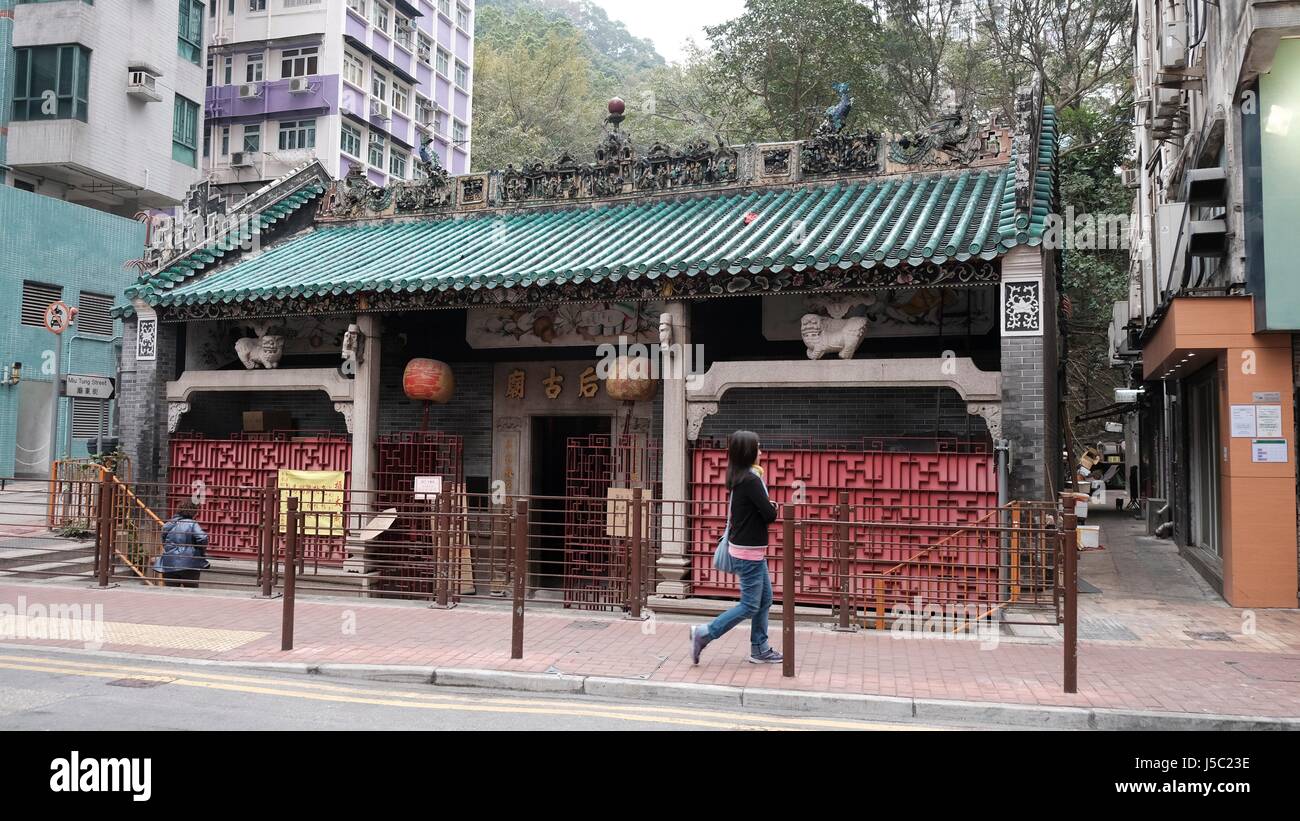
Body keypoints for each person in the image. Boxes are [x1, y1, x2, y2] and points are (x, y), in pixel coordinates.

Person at [690, 431, 782, 665]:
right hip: (748, 552)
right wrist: (775, 507)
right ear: (749, 452)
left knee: (765, 599)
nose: (761, 452)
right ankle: (705, 633)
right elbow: (769, 514)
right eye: (758, 448)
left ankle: (759, 648)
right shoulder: (751, 480)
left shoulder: (742, 476)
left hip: (750, 550)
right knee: (750, 604)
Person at [153, 504, 210, 588]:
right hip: (189, 562)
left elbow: (164, 540)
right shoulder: (192, 524)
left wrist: (170, 549)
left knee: (171, 590)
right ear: (193, 513)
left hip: (169, 562)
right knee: (191, 590)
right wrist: (200, 550)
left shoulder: (169, 524)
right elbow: (202, 538)